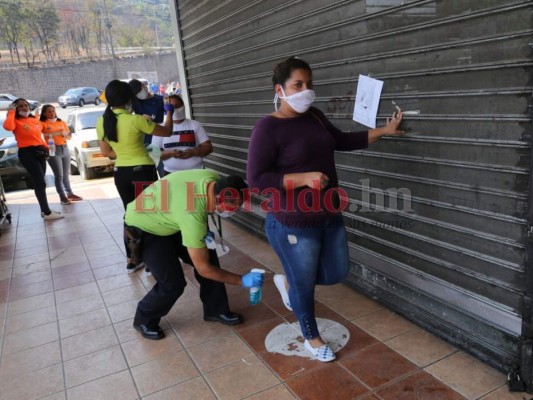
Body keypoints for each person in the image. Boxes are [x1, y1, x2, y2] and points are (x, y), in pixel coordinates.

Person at [246, 57, 404, 362]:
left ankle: (289, 282)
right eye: (298, 85)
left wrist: (384, 131)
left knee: (336, 271)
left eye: (309, 84)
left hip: (329, 213)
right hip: (293, 222)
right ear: (280, 89)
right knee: (305, 286)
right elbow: (257, 181)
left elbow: (341, 140)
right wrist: (303, 178)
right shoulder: (267, 128)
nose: (306, 90)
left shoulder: (315, 116)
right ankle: (312, 338)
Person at [125, 170, 262, 340]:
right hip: (145, 226)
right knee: (173, 283)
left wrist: (202, 232)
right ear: (218, 198)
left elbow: (201, 207)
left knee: (209, 256)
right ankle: (144, 319)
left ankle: (216, 310)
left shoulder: (213, 179)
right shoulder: (191, 214)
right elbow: (203, 269)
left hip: (171, 217)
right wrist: (241, 280)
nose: (238, 210)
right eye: (234, 206)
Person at [96, 79, 174, 273]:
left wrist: (125, 154)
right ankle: (152, 261)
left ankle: (133, 259)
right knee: (150, 213)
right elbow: (167, 131)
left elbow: (106, 152)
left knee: (130, 214)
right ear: (129, 98)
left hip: (120, 173)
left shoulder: (102, 121)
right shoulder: (137, 120)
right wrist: (169, 111)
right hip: (143, 172)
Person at [3, 99, 63, 220]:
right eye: (20, 106)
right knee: (40, 182)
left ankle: (44, 210)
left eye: (26, 105)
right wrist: (10, 112)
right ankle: (47, 212)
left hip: (40, 151)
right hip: (27, 153)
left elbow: (38, 136)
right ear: (15, 108)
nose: (24, 108)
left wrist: (46, 147)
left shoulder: (33, 119)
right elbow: (8, 127)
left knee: (40, 183)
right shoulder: (14, 120)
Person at [151, 94, 213, 176]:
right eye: (171, 107)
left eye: (177, 106)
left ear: (183, 106)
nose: (174, 109)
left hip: (196, 172)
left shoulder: (195, 125)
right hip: (171, 174)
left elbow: (208, 147)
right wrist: (170, 154)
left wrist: (194, 152)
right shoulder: (160, 128)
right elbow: (153, 154)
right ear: (166, 109)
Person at [39, 104, 83, 205]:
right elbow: (39, 134)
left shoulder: (61, 122)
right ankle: (62, 196)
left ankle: (70, 193)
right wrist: (57, 134)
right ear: (44, 113)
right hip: (53, 150)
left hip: (64, 148)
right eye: (49, 111)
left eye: (53, 111)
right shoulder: (43, 123)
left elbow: (68, 137)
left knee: (65, 174)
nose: (52, 113)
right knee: (58, 175)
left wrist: (67, 135)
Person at [128, 79, 166, 146]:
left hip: (159, 135)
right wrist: (140, 119)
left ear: (143, 85)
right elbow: (125, 117)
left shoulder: (160, 99)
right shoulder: (135, 102)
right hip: (144, 139)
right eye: (136, 94)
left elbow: (171, 116)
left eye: (139, 91)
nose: (139, 94)